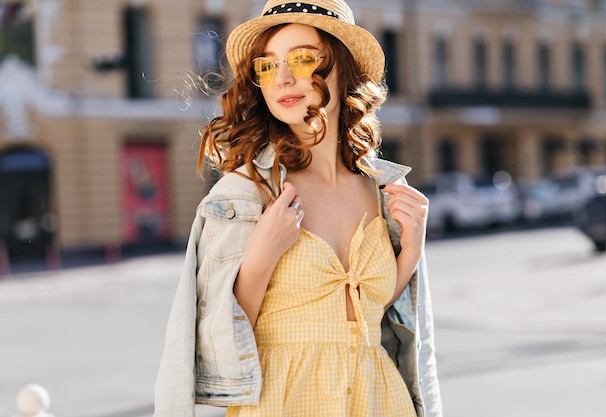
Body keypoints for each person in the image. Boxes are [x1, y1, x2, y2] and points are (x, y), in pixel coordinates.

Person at [154, 1, 443, 417]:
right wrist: (262, 255)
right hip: (285, 401)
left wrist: (411, 252)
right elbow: (213, 342)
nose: (283, 78)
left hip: (381, 398)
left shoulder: (385, 190)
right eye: (267, 67)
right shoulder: (244, 194)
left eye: (303, 59)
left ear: (344, 68)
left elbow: (367, 318)